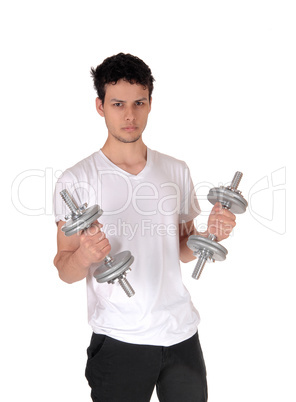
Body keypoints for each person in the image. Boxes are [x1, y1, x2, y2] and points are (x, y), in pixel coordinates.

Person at [53, 53, 236, 402]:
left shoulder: (175, 170)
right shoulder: (76, 180)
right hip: (120, 340)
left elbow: (183, 250)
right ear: (99, 105)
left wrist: (211, 234)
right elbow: (64, 267)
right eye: (118, 103)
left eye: (139, 102)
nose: (129, 115)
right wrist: (85, 256)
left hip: (181, 335)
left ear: (150, 103)